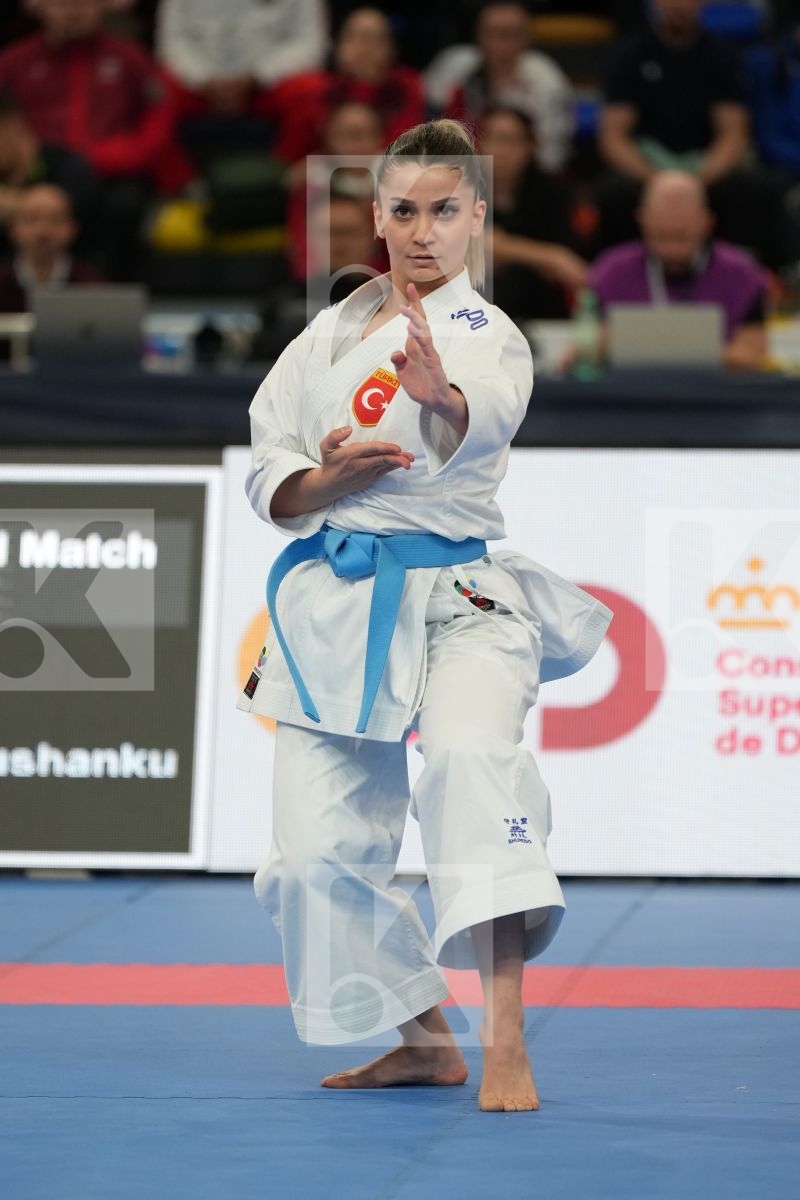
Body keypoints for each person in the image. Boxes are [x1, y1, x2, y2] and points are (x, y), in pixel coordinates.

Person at [236, 118, 613, 1112]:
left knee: (467, 766)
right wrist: (323, 479)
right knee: (309, 858)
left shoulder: (487, 334)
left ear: (475, 219)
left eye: (443, 210)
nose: (420, 230)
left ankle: (504, 1038)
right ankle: (421, 1038)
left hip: (461, 600)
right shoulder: (326, 332)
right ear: (376, 214)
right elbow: (266, 458)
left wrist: (437, 398)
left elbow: (478, 414)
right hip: (337, 600)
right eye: (402, 209)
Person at [0, 0, 186, 275]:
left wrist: (118, 156)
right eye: (62, 3)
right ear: (38, 5)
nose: (74, 11)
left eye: (84, 2)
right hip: (36, 173)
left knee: (125, 206)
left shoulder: (128, 57)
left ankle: (103, 293)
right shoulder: (15, 61)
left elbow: (158, 121)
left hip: (109, 174)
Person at [597, 0, 783, 268]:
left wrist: (698, 179)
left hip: (705, 165)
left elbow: (733, 133)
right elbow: (614, 137)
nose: (680, 6)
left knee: (754, 188)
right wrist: (656, 180)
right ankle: (615, 274)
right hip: (647, 165)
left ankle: (751, 274)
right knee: (613, 193)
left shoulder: (722, 56)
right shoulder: (628, 55)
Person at [587, 171, 768, 370]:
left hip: (712, 394)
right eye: (661, 237)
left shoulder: (741, 275)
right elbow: (585, 345)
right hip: (631, 391)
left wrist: (657, 348)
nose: (671, 250)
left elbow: (752, 355)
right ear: (642, 220)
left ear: (706, 223)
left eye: (682, 237)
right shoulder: (611, 272)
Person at [269, 7, 425, 165]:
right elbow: (292, 155)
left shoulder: (406, 84)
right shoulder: (315, 91)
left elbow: (404, 149)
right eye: (354, 38)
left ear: (392, 49)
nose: (365, 48)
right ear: (337, 47)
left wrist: (365, 85)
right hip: (330, 178)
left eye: (376, 40)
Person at [478, 105, 587, 319]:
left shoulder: (552, 192)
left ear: (529, 146)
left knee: (518, 277)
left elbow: (571, 267)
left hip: (541, 304)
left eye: (509, 141)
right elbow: (476, 246)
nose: (499, 150)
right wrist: (548, 258)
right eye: (492, 139)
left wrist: (503, 249)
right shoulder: (461, 187)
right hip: (478, 299)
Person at [441, 1, 575, 174]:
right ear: (478, 36)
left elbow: (553, 153)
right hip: (461, 173)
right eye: (494, 34)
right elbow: (427, 127)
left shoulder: (548, 80)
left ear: (527, 38)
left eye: (512, 34)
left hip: (526, 176)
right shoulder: (453, 67)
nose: (501, 44)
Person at [0, 181, 104, 311]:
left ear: (73, 228)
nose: (43, 231)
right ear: (13, 228)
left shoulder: (94, 289)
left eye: (55, 220)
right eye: (32, 219)